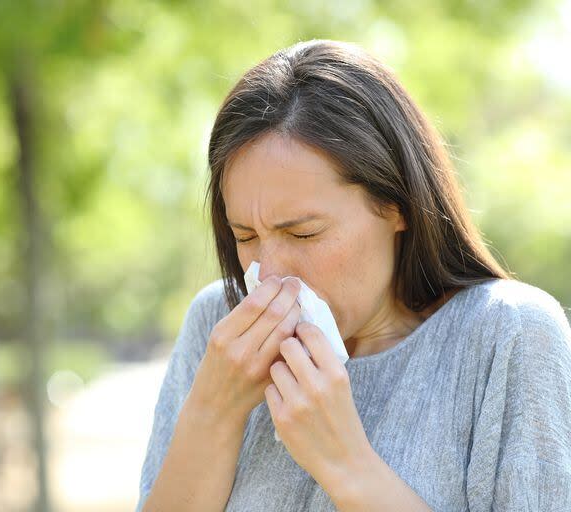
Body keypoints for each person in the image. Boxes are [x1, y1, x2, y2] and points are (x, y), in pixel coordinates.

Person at [135, 39, 571, 511]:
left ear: (396, 205)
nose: (271, 272)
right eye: (245, 236)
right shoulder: (216, 329)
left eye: (303, 234)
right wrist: (214, 413)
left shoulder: (507, 336)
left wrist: (346, 464)